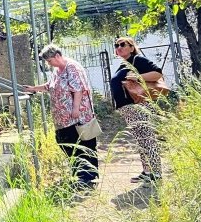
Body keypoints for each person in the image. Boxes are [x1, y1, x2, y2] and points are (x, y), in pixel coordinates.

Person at [24, 45, 98, 189]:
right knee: (66, 144)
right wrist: (33, 88)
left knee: (81, 145)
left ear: (57, 55)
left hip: (77, 117)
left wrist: (75, 108)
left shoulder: (72, 67)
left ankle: (86, 176)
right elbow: (49, 86)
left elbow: (78, 89)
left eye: (50, 60)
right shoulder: (57, 70)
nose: (49, 64)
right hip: (62, 118)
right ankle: (79, 174)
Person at [109, 36, 164, 183]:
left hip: (139, 106)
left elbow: (158, 73)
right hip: (129, 108)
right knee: (140, 139)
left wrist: (138, 77)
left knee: (147, 137)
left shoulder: (137, 60)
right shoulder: (124, 64)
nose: (119, 47)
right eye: (116, 45)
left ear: (132, 47)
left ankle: (156, 173)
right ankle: (147, 171)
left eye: (122, 44)